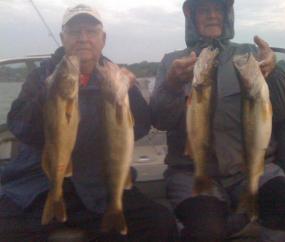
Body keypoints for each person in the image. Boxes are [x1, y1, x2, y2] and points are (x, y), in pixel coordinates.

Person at [0, 4, 178, 242]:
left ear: (103, 39)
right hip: (38, 183)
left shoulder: (113, 77)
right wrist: (48, 94)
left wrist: (130, 93)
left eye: (91, 31)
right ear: (63, 38)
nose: (83, 38)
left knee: (160, 223)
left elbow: (139, 128)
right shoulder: (42, 77)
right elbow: (20, 127)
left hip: (100, 185)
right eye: (74, 32)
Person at [150, 0, 285, 241]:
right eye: (204, 10)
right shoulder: (172, 63)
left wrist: (275, 71)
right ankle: (239, 222)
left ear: (228, 14)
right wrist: (172, 84)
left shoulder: (250, 55)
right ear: (191, 16)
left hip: (253, 168)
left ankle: (242, 219)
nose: (212, 16)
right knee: (205, 232)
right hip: (191, 173)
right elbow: (159, 120)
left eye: (218, 9)